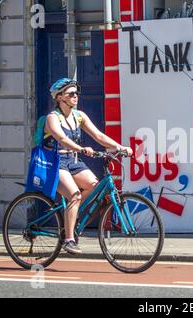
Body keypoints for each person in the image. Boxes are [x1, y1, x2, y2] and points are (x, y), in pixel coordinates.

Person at [44, 78, 133, 255]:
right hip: (55, 162)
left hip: (73, 161)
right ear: (60, 97)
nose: (75, 96)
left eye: (76, 93)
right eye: (70, 94)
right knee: (75, 195)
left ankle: (72, 216)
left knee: (95, 187)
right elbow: (62, 139)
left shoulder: (79, 116)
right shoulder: (52, 118)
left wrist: (119, 147)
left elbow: (98, 136)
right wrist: (81, 148)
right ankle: (69, 239)